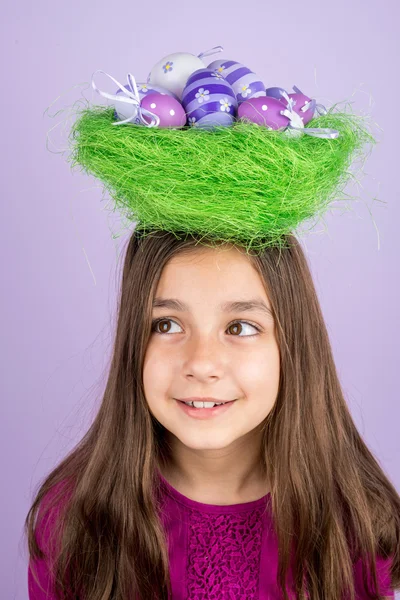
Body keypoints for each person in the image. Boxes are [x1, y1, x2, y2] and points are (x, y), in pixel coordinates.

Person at [25, 56, 400, 599]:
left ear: (292, 343)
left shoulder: (361, 528)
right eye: (168, 323)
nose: (201, 363)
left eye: (241, 327)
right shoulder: (74, 522)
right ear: (134, 339)